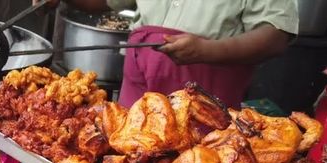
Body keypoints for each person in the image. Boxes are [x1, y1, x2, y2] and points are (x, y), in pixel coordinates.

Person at [48, 0, 298, 108]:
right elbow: (107, 1)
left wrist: (206, 51)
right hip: (136, 96)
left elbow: (276, 36)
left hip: (203, 100)